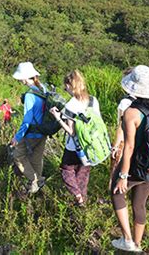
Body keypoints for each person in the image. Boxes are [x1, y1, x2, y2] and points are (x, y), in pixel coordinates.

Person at [111, 65, 149, 252]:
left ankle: (127, 239)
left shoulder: (131, 112)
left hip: (136, 165)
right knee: (139, 203)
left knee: (116, 193)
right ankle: (137, 244)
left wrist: (122, 175)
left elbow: (128, 146)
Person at [110, 68, 149, 207]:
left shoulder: (127, 107)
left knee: (117, 191)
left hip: (136, 157)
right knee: (140, 201)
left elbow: (122, 133)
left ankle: (125, 226)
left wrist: (116, 147)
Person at [50, 70, 101, 206]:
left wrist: (58, 118)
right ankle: (82, 201)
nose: (64, 89)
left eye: (65, 86)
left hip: (75, 147)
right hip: (91, 145)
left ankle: (77, 196)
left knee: (67, 170)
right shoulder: (93, 100)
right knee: (83, 173)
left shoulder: (71, 105)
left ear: (70, 85)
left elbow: (71, 132)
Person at [10, 62, 47, 195]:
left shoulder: (30, 95)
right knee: (37, 158)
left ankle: (34, 180)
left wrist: (17, 137)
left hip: (31, 133)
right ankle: (38, 183)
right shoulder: (43, 88)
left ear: (25, 77)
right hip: (43, 131)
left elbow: (27, 120)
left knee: (18, 156)